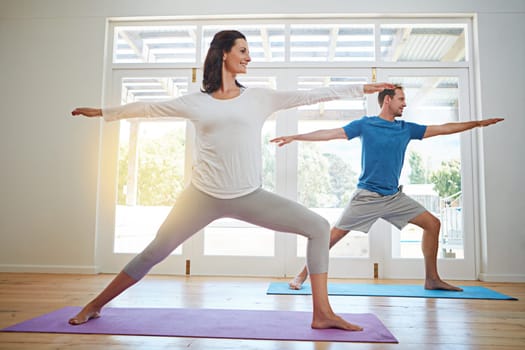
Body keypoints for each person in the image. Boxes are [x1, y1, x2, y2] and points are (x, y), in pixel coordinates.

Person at [69, 29, 394, 330]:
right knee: (154, 252)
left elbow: (310, 95)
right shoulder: (195, 101)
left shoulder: (260, 98)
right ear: (224, 53)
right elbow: (150, 107)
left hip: (249, 196)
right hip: (201, 197)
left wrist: (358, 88)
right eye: (243, 50)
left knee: (319, 227)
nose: (249, 57)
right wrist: (104, 112)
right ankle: (95, 305)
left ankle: (322, 313)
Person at [271, 84, 503, 291]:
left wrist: (477, 124)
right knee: (332, 237)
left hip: (394, 197)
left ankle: (432, 279)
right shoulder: (366, 125)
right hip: (367, 196)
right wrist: (296, 136)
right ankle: (301, 275)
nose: (405, 104)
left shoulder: (406, 129)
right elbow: (330, 134)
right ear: (387, 100)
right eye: (401, 99)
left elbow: (443, 128)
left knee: (433, 224)